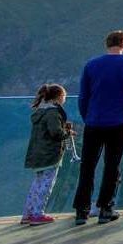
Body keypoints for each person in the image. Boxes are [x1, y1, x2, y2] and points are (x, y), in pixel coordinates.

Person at [74, 29, 123, 225]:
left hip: (94, 121)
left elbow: (83, 96)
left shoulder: (91, 65)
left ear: (107, 44)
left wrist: (87, 116)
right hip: (118, 122)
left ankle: (82, 211)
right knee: (112, 165)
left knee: (87, 166)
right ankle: (106, 209)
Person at [21, 83, 74, 225]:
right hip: (50, 155)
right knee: (47, 184)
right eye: (64, 96)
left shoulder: (41, 112)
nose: (65, 99)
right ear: (58, 97)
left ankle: (28, 213)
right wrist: (68, 133)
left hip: (38, 154)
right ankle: (38, 214)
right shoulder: (53, 113)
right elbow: (55, 132)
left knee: (37, 184)